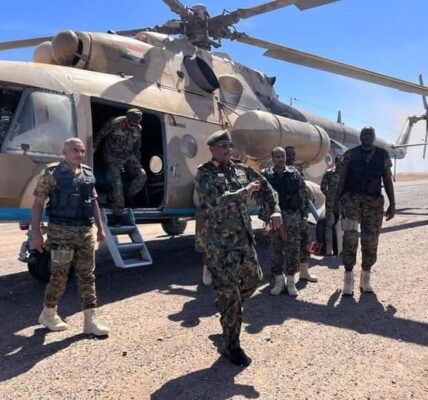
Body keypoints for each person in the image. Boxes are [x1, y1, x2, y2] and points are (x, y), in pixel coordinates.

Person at [195, 130, 282, 367]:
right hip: (218, 244)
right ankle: (231, 345)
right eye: (222, 145)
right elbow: (216, 201)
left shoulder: (241, 169)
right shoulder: (204, 173)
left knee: (255, 279)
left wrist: (275, 210)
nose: (227, 149)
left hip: (243, 239)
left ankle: (226, 307)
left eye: (229, 145)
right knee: (230, 294)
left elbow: (267, 187)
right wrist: (245, 191)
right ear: (212, 148)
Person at [31, 138, 110, 336]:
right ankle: (48, 314)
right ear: (64, 151)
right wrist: (36, 234)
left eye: (82, 151)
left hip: (85, 232)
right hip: (61, 233)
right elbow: (38, 204)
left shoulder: (88, 174)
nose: (79, 154)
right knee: (59, 276)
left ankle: (90, 321)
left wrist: (100, 228)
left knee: (87, 275)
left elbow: (93, 202)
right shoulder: (52, 173)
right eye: (75, 150)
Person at [334, 126, 395, 295]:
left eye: (370, 134)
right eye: (364, 134)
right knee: (350, 238)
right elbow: (342, 179)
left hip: (373, 204)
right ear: (360, 137)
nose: (367, 136)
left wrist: (392, 203)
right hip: (351, 202)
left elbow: (387, 180)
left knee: (371, 240)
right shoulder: (350, 154)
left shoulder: (382, 155)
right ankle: (348, 278)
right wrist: (335, 202)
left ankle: (365, 277)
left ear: (374, 137)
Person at [262, 147, 317, 297]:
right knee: (275, 249)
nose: (281, 159)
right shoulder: (266, 175)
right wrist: (267, 218)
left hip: (292, 216)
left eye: (283, 156)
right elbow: (263, 199)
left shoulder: (295, 173)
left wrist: (304, 217)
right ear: (272, 158)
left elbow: (303, 197)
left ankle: (291, 280)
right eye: (278, 156)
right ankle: (279, 280)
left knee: (293, 249)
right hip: (274, 217)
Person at [93, 108, 146, 224]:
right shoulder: (114, 123)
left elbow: (137, 147)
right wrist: (92, 150)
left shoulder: (137, 128)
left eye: (136, 125)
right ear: (127, 120)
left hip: (128, 156)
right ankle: (118, 214)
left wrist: (138, 162)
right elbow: (100, 136)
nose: (133, 127)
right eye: (132, 124)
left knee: (142, 175)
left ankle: (126, 196)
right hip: (112, 157)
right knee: (117, 184)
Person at [285, 146, 318, 285]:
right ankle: (287, 278)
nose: (291, 157)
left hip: (301, 213)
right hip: (287, 214)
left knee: (305, 241)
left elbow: (303, 194)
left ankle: (304, 272)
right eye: (288, 155)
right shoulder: (278, 172)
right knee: (289, 246)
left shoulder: (298, 171)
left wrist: (305, 214)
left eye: (293, 155)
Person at [320, 155, 343, 255]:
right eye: (339, 162)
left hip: (342, 204)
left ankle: (340, 249)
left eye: (342, 163)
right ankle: (329, 250)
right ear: (336, 162)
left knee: (341, 225)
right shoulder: (329, 173)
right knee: (329, 226)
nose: (340, 164)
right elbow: (323, 187)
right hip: (331, 204)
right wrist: (329, 195)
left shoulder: (347, 174)